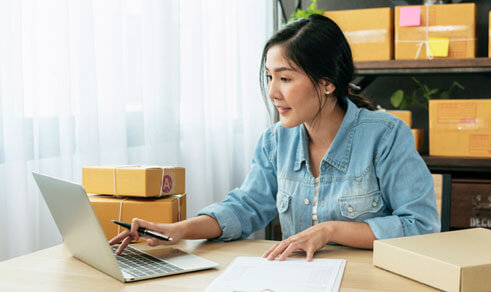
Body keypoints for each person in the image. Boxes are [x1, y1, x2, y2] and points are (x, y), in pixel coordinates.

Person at [109, 14, 440, 261]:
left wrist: (331, 230)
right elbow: (245, 207)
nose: (271, 92)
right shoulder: (275, 142)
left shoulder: (385, 135)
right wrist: (177, 231)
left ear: (327, 83)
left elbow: (421, 226)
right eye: (269, 77)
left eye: (285, 78)